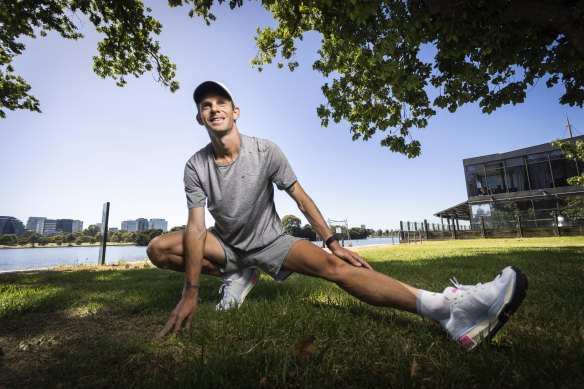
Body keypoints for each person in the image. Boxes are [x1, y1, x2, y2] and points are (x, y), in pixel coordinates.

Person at [147, 81, 528, 349]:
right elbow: (196, 228)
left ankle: (447, 309)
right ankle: (236, 273)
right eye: (205, 106)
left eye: (220, 102)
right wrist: (191, 292)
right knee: (159, 249)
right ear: (199, 118)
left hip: (271, 241)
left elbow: (301, 197)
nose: (214, 109)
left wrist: (333, 242)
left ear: (235, 111)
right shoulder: (195, 166)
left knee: (336, 269)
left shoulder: (266, 151)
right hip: (225, 242)